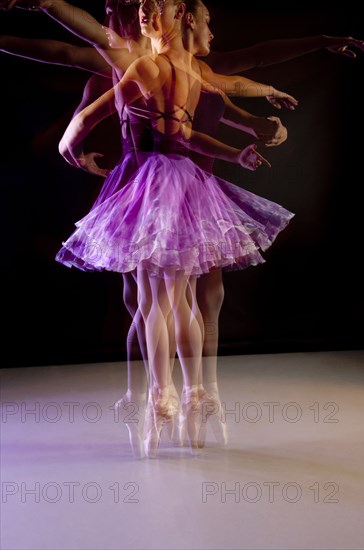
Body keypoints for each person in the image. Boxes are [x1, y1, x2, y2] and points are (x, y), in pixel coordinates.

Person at [56, 0, 296, 458]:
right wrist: (236, 152)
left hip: (153, 184)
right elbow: (188, 135)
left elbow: (95, 115)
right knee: (178, 300)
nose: (146, 16)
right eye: (142, 8)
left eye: (155, 8)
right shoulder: (190, 74)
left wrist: (70, 143)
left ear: (174, 17)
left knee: (152, 303)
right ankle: (192, 394)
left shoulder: (148, 67)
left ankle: (161, 397)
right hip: (185, 182)